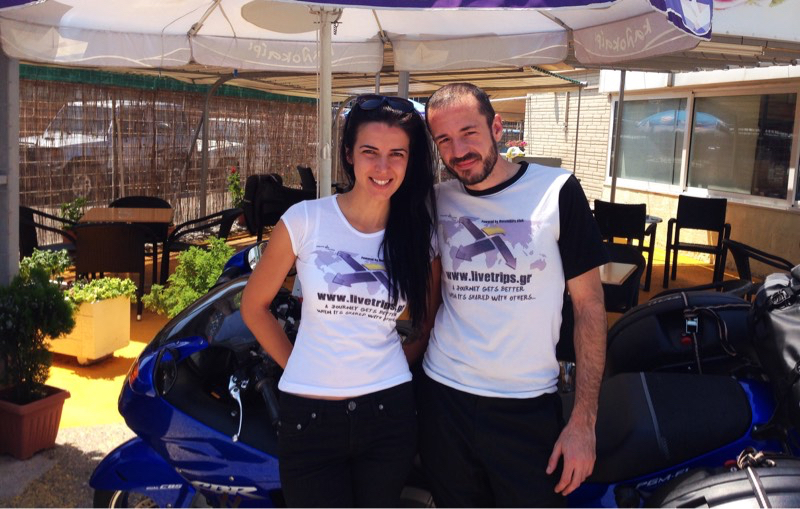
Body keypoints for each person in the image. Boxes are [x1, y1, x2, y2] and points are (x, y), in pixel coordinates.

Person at [411, 82, 609, 507]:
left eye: (469, 133)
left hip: (527, 406)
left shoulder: (557, 191)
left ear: (497, 128)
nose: (458, 151)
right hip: (443, 399)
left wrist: (584, 421)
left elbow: (590, 307)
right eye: (444, 140)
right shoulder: (437, 200)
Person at [240, 94, 437, 507]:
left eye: (397, 154)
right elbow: (254, 306)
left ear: (410, 161)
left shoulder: (419, 234)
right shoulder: (305, 220)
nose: (383, 167)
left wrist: (392, 367)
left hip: (389, 416)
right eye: (370, 152)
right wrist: (297, 363)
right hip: (309, 420)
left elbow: (425, 322)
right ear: (348, 154)